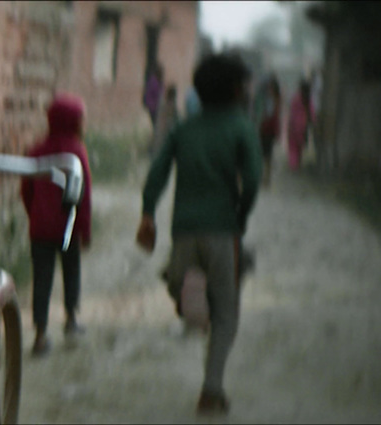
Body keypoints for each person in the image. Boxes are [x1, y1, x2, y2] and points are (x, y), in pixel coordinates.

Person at [136, 53, 262, 416]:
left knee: (185, 284)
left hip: (184, 230)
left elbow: (158, 172)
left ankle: (180, 286)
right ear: (238, 90)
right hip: (224, 233)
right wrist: (241, 211)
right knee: (226, 313)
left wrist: (147, 211)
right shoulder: (242, 127)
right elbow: (252, 180)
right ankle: (211, 389)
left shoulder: (183, 129)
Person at [19, 93, 93, 357]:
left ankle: (40, 334)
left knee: (42, 279)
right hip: (68, 227)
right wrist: (85, 229)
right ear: (72, 122)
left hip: (40, 229)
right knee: (71, 270)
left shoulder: (37, 151)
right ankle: (71, 318)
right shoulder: (76, 151)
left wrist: (35, 215)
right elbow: (83, 194)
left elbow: (26, 190)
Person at [254, 78, 282, 185]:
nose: (269, 90)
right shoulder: (266, 99)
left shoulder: (275, 100)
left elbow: (274, 117)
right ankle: (264, 177)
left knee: (267, 155)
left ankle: (267, 178)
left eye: (271, 88)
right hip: (264, 130)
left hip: (268, 130)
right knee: (263, 155)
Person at [286, 80, 314, 172]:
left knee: (293, 146)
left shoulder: (296, 98)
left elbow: (292, 113)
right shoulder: (308, 99)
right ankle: (298, 164)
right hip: (303, 126)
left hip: (294, 126)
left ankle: (293, 165)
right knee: (299, 147)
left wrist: (289, 126)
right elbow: (312, 114)